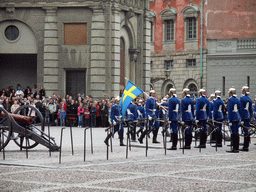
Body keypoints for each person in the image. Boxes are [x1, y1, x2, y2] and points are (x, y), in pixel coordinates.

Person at [226, 87, 242, 153]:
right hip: (237, 117)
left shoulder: (230, 100)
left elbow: (229, 111)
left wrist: (229, 120)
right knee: (237, 132)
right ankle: (236, 147)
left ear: (231, 93)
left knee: (233, 132)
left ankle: (234, 148)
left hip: (232, 117)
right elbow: (240, 109)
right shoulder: (237, 99)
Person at [239, 85, 252, 151]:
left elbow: (241, 109)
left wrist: (240, 118)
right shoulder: (249, 99)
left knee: (245, 131)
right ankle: (247, 145)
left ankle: (245, 146)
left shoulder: (242, 98)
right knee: (247, 130)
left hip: (243, 116)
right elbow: (250, 109)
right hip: (248, 115)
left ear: (244, 91)